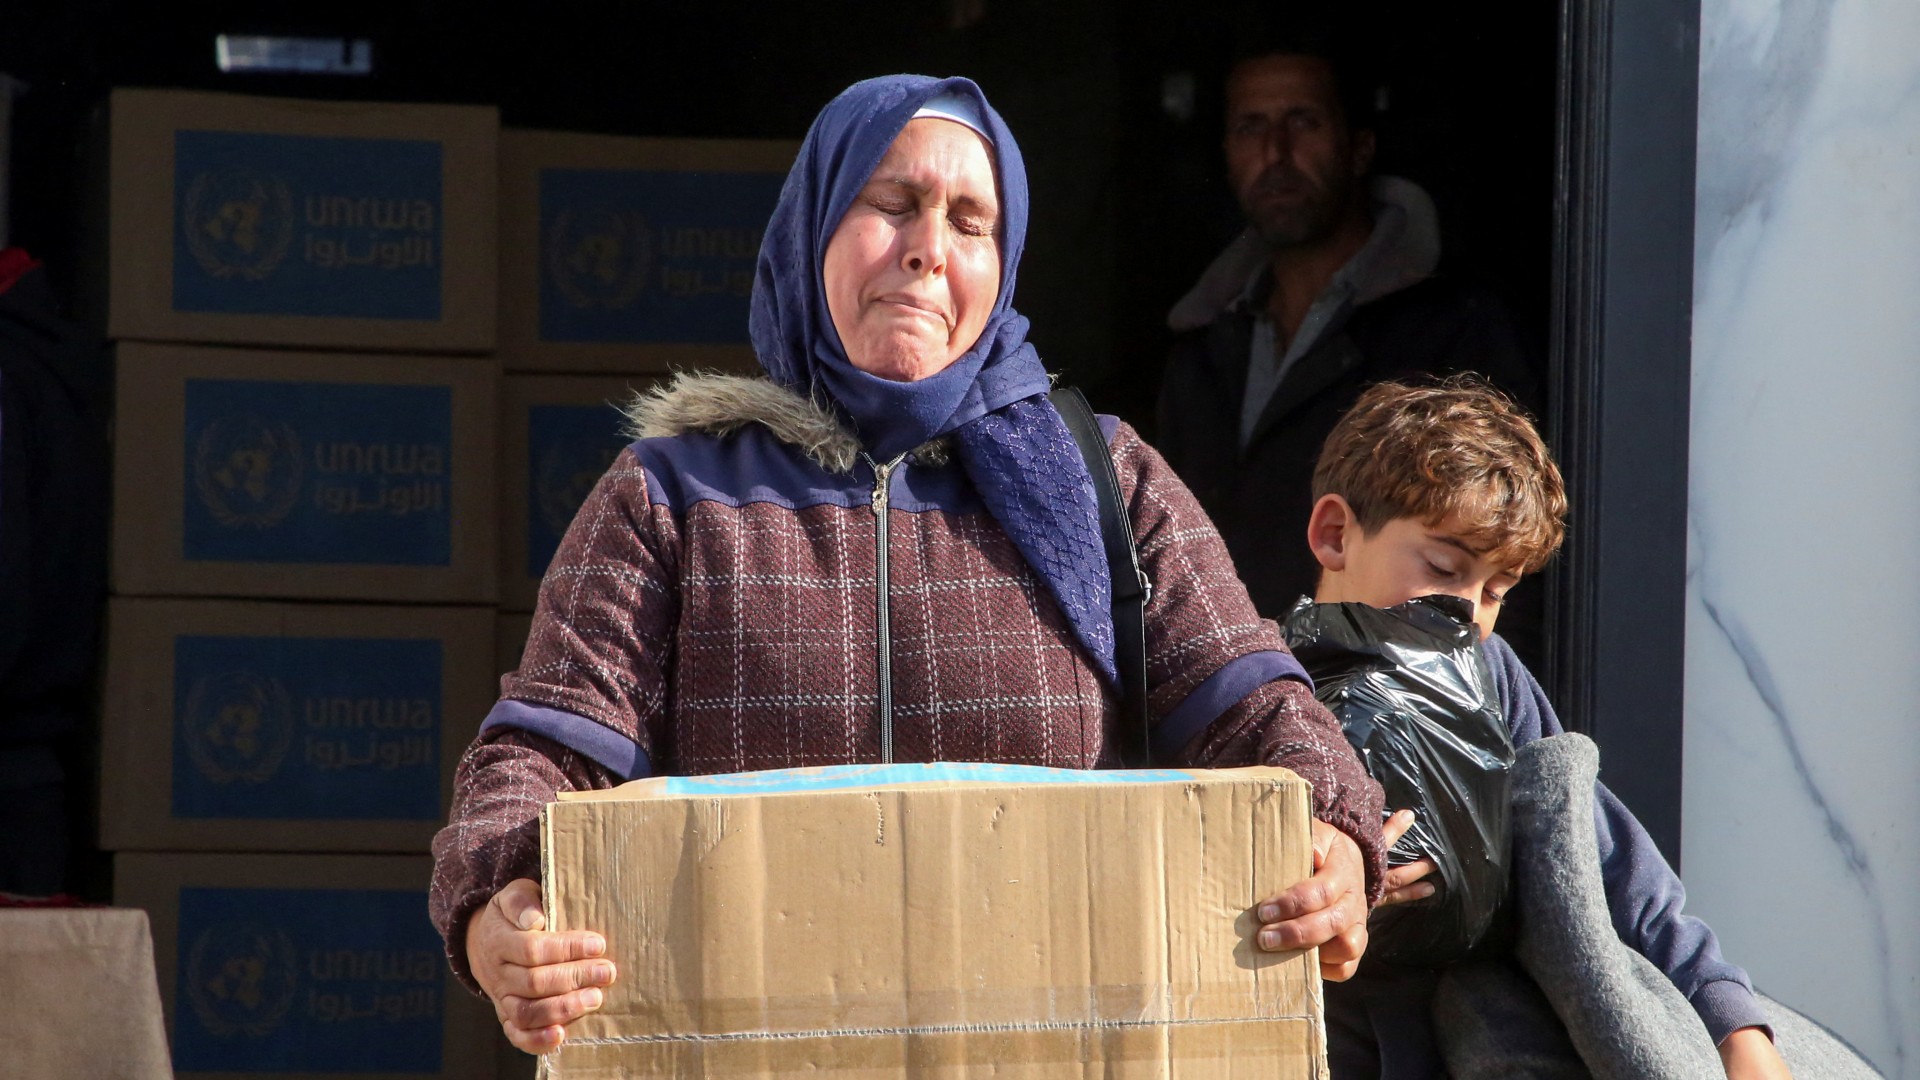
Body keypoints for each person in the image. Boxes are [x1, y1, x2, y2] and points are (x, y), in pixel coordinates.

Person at [429, 75, 1390, 1057]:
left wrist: (1341, 843)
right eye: (890, 206)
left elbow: (1259, 709)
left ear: (1004, 264)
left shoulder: (1109, 481)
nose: (928, 248)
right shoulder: (675, 496)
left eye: (970, 222)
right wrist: (498, 903)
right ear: (811, 231)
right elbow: (544, 752)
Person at [1291, 378, 1790, 1080]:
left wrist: (1734, 1025)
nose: (1469, 610)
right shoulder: (1259, 685)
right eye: (1444, 567)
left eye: (1496, 590)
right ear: (1335, 534)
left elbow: (1598, 852)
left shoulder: (1491, 675)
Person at [1154, 30, 1539, 634]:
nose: (1276, 152)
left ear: (1359, 147)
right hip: (1217, 702)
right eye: (1251, 127)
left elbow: (1511, 552)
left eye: (1303, 122)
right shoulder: (1200, 349)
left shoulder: (1452, 331)